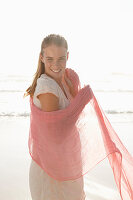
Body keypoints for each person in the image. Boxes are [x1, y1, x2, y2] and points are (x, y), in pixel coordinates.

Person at [24, 34, 86, 200]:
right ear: (42, 57)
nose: (56, 65)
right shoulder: (47, 87)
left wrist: (75, 95)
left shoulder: (65, 82)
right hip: (49, 172)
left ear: (68, 56)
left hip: (64, 165)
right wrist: (81, 102)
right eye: (50, 59)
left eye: (61, 59)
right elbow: (55, 136)